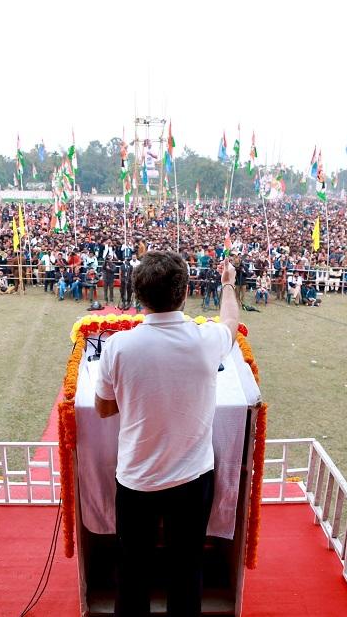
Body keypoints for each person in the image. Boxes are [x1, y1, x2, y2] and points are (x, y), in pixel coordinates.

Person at [95, 251, 238, 617]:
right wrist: (227, 284)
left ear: (138, 295)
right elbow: (231, 323)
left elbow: (104, 408)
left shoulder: (118, 346)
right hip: (192, 479)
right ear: (186, 292)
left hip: (137, 479)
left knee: (133, 572)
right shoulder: (206, 339)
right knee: (186, 570)